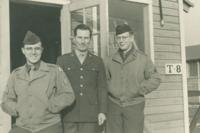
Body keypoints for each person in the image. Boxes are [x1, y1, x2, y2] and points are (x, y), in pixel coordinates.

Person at [1, 31, 75, 133]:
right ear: (23, 51)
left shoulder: (54, 71)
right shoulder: (16, 74)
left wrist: (51, 105)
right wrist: (17, 108)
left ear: (42, 50)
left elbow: (68, 95)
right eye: (29, 49)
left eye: (37, 48)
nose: (33, 52)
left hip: (49, 126)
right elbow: (6, 100)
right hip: (23, 126)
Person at [105, 24, 161, 133]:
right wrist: (112, 89)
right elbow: (104, 81)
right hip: (113, 107)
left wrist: (140, 89)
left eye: (124, 37)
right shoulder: (109, 60)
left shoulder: (143, 59)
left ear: (131, 38)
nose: (121, 41)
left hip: (134, 106)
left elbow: (155, 78)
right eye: (119, 38)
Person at [56, 24, 107, 133]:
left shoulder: (98, 61)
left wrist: (102, 111)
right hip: (69, 114)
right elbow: (57, 88)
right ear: (74, 39)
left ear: (90, 40)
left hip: (90, 115)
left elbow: (102, 88)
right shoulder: (63, 60)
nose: (82, 41)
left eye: (86, 38)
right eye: (79, 37)